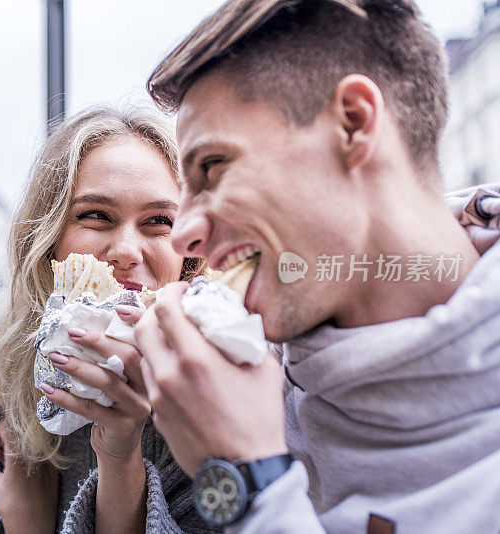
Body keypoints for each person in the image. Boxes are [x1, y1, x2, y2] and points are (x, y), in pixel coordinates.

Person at [120, 0, 500, 532]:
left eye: (213, 166)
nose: (185, 235)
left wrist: (249, 480)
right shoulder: (230, 374)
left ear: (353, 123)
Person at [0, 106, 214, 534]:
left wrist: (120, 455)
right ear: (48, 239)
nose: (126, 250)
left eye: (159, 221)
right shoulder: (9, 377)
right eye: (96, 215)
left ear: (189, 254)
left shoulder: (213, 391)